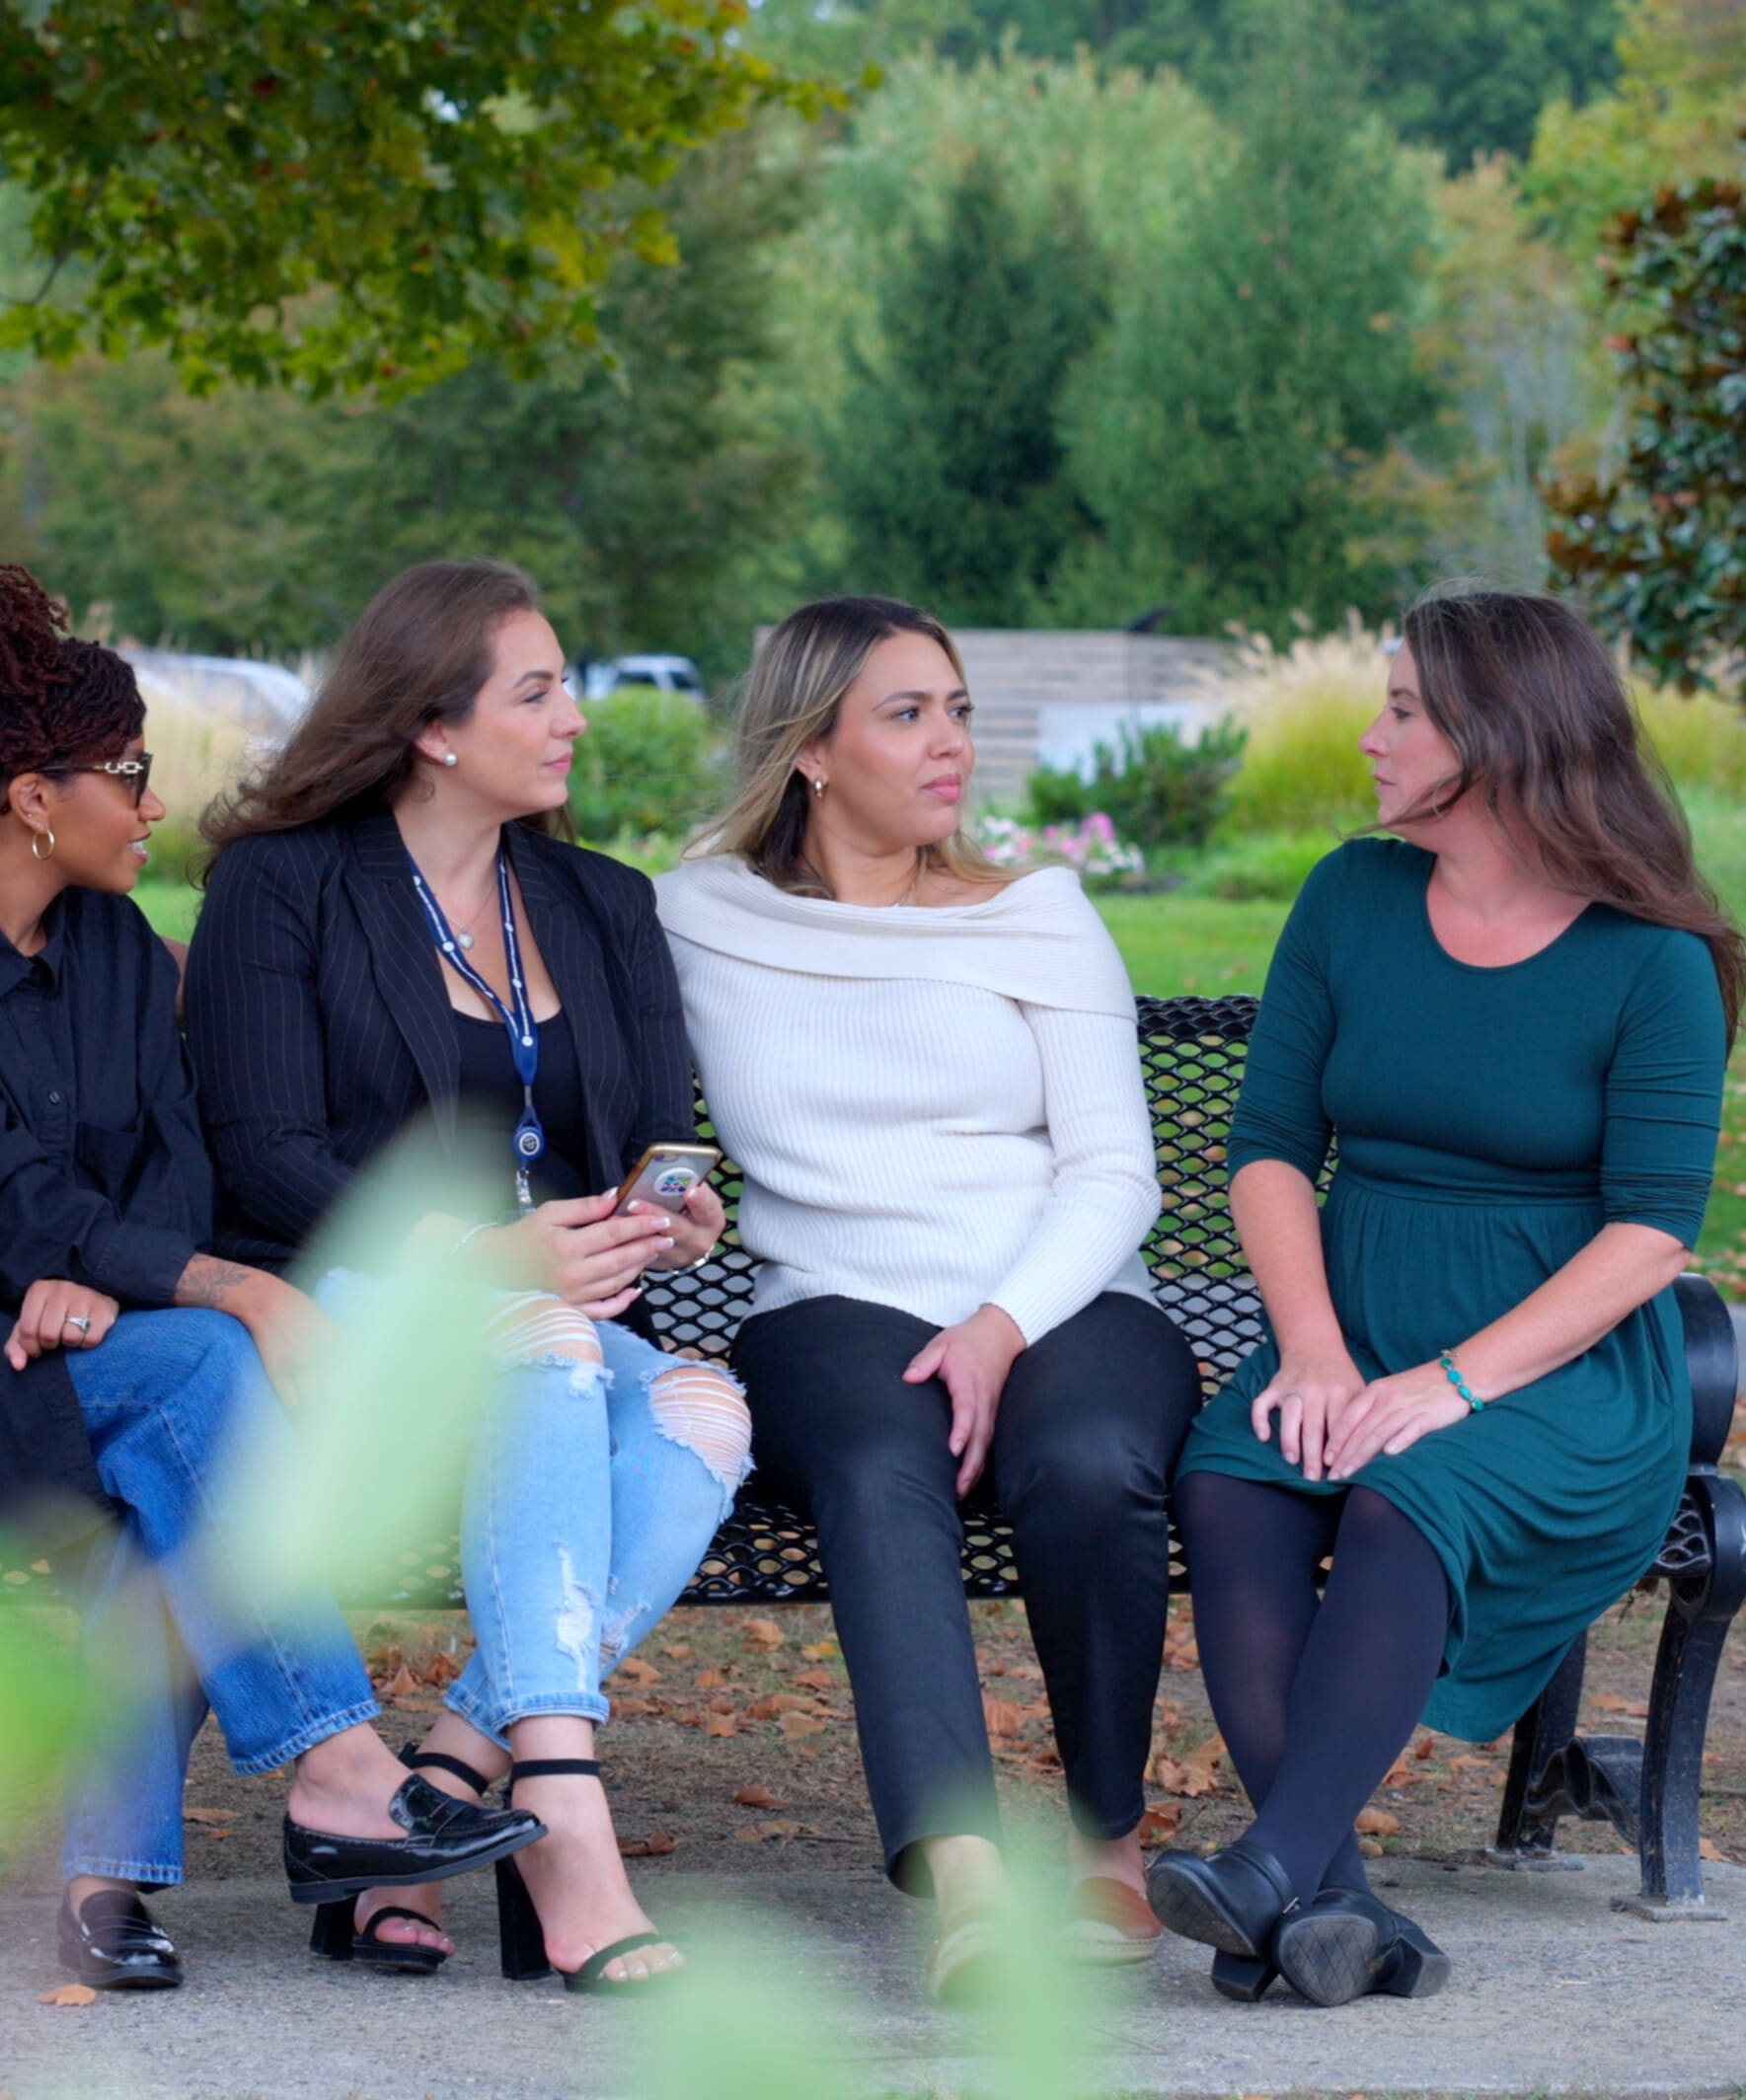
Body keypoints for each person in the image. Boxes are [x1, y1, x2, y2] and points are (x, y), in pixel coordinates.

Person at [0, 547, 542, 1993]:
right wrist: (223, 1285)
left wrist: (110, 1282)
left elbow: (171, 1169)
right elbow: (3, 1204)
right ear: (34, 798)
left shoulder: (115, 947)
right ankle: (343, 1771)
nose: (157, 801)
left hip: (63, 1354)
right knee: (199, 1379)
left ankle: (110, 1890)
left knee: (161, 1485)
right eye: (129, 769)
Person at [1147, 586, 1737, 2007]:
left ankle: (1274, 1862)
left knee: (1407, 1487)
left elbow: (1651, 1236)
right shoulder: (1350, 897)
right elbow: (1270, 1149)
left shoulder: (1650, 962)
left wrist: (1446, 1386)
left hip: (1559, 1368)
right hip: (1345, 1327)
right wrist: (1313, 1352)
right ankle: (1327, 1903)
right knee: (1237, 1478)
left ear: (1501, 731)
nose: (1368, 735)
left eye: (1402, 709)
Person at [186, 559, 751, 1992]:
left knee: (703, 1415)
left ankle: (439, 1788)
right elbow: (261, 1152)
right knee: (536, 1343)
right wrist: (471, 1253)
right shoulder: (284, 885)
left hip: (551, 1301)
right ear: (433, 724)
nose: (573, 715)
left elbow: (647, 1135)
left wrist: (667, 1215)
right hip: (349, 1296)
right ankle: (565, 1831)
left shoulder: (599, 901)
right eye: (537, 689)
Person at [653, 596, 1202, 1998]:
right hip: (828, 1297)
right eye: (907, 714)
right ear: (812, 751)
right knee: (876, 1462)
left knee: (1085, 1461)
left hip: (1061, 1296)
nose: (949, 742)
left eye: (955, 709)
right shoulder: (699, 915)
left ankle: (1105, 1841)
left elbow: (1113, 1172)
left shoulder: (1036, 916)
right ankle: (962, 1881)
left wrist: (999, 1323)